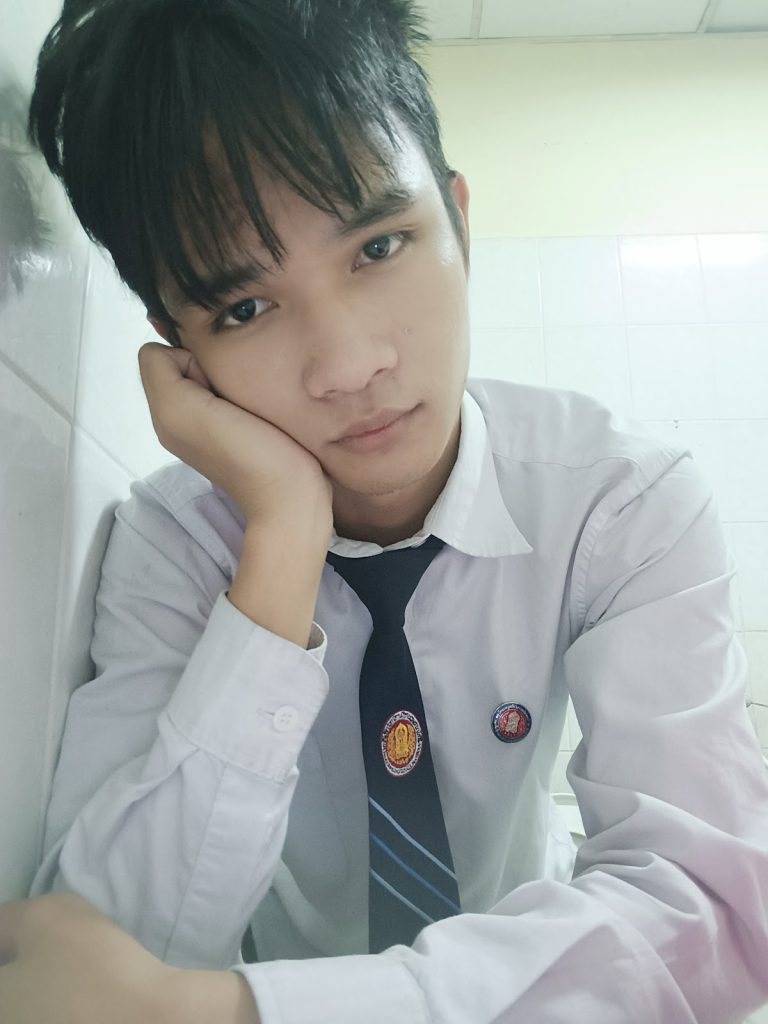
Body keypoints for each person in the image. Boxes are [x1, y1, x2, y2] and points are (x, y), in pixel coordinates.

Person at [1, 0, 768, 1021]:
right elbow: (101, 945)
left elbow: (712, 910)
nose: (349, 365)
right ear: (179, 349)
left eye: (378, 247)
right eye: (244, 308)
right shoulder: (172, 545)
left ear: (459, 220)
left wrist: (229, 1013)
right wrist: (281, 536)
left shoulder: (618, 502)